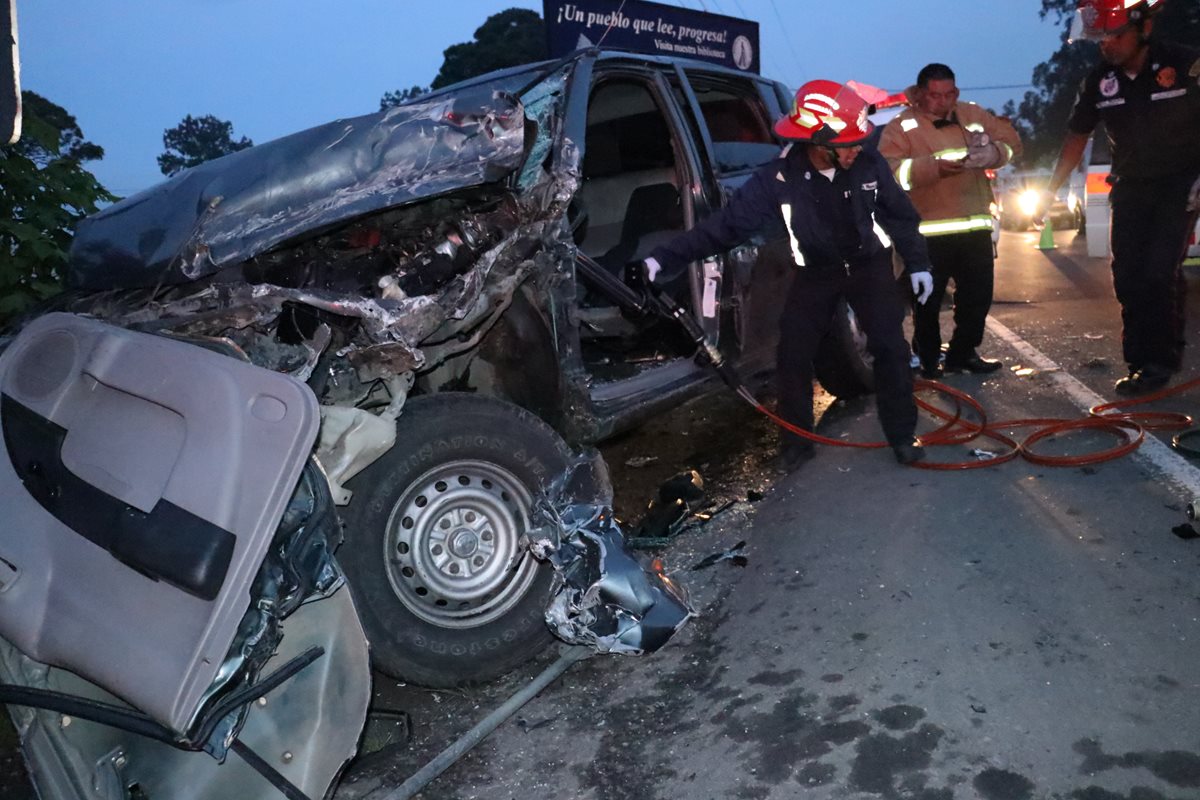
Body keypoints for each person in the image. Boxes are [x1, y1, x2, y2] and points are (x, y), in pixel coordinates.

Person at [641, 80, 935, 469]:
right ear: (818, 142)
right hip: (816, 274)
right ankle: (796, 446)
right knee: (793, 356)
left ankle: (901, 437)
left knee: (891, 349)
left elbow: (900, 216)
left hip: (868, 267)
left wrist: (919, 265)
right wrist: (663, 258)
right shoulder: (778, 179)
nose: (856, 148)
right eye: (847, 143)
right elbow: (726, 227)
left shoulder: (869, 164)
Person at [1042, 0, 1200, 395]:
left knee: (1159, 272)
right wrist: (1052, 187)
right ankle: (1139, 361)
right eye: (1100, 39)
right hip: (1131, 185)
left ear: (1142, 29)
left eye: (1114, 36)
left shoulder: (1185, 64)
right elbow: (1077, 136)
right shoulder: (1099, 80)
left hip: (1180, 183)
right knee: (1128, 275)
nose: (1106, 46)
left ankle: (1160, 362)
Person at [879, 63, 1022, 379]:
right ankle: (928, 360)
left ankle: (963, 353)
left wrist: (994, 153)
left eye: (949, 94)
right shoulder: (901, 128)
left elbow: (1012, 140)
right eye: (935, 95)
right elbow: (888, 171)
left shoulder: (972, 115)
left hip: (975, 227)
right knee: (927, 303)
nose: (942, 102)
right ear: (919, 95)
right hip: (929, 233)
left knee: (977, 297)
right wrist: (934, 167)